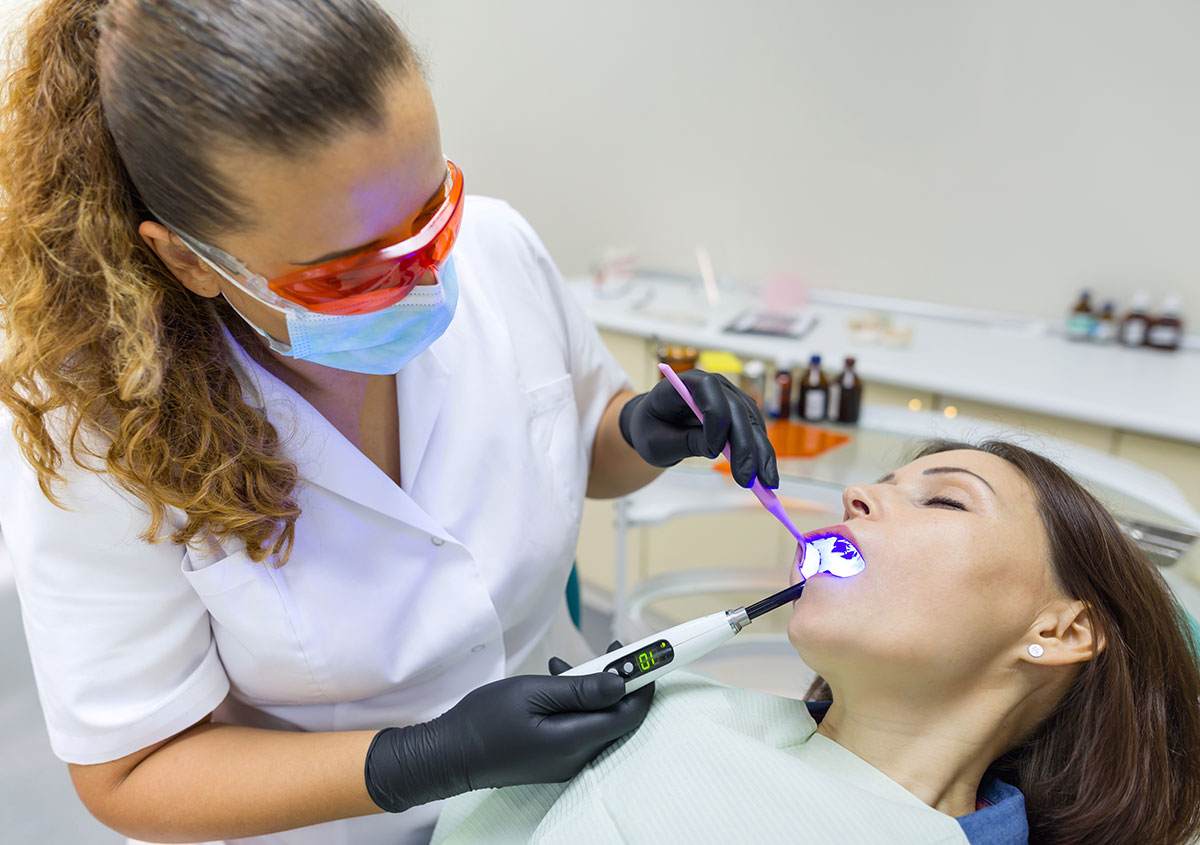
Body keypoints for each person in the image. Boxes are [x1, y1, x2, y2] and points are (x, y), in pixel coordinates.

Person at [0, 2, 777, 843]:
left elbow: (582, 447)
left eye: (430, 216)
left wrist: (636, 435)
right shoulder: (95, 423)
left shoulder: (498, 249)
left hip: (578, 797)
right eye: (349, 273)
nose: (419, 281)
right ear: (190, 260)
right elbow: (132, 771)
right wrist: (427, 757)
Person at [431, 440, 1200, 845]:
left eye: (943, 498)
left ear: (1060, 629)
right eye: (882, 481)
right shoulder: (675, 704)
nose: (856, 493)